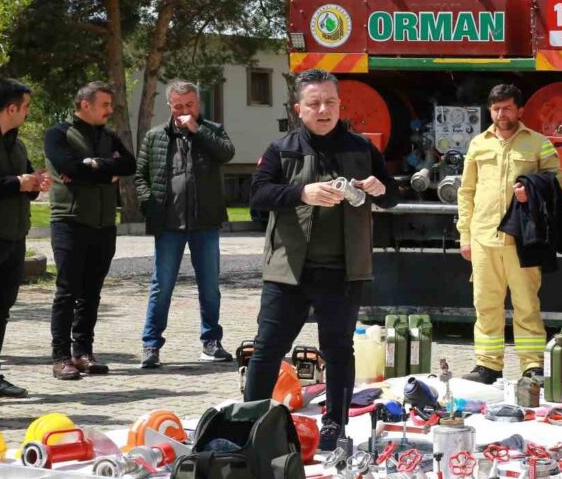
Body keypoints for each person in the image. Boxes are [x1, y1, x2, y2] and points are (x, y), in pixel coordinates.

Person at [244, 68, 399, 451]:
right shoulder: (282, 149)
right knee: (267, 349)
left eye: (330, 102)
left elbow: (391, 195)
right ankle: (249, 422)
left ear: (340, 105)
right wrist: (303, 192)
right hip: (289, 271)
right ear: (300, 109)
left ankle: (335, 425)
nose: (323, 109)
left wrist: (380, 189)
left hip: (343, 270)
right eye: (314, 103)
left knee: (338, 350)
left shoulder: (362, 148)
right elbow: (258, 196)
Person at [457, 84, 562, 384]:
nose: (500, 114)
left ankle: (532, 366)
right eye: (495, 108)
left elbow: (558, 182)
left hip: (522, 239)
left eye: (506, 108)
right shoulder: (478, 144)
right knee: (485, 304)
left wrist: (531, 191)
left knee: (526, 305)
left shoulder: (538, 143)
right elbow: (466, 191)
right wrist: (464, 235)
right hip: (483, 238)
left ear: (520, 110)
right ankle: (487, 365)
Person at [136, 80, 236, 369]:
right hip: (168, 223)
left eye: (189, 105)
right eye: (178, 106)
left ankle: (211, 342)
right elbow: (140, 176)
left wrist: (198, 130)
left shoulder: (212, 130)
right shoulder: (155, 136)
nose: (183, 111)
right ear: (169, 106)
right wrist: (149, 203)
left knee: (210, 286)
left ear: (198, 103)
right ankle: (151, 345)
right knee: (161, 286)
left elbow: (226, 153)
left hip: (205, 222)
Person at [44, 81, 136, 380]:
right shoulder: (59, 134)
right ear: (86, 105)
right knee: (67, 291)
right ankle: (60, 357)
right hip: (69, 222)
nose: (110, 110)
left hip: (104, 224)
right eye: (105, 105)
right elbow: (68, 168)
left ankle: (82, 352)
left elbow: (130, 166)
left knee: (91, 293)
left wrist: (96, 164)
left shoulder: (108, 136)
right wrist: (106, 172)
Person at [0, 79, 51, 397]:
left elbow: (22, 185)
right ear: (10, 108)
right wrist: (17, 182)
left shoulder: (18, 144)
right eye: (26, 107)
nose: (28, 113)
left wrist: (35, 184)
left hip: (14, 239)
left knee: (1, 310)